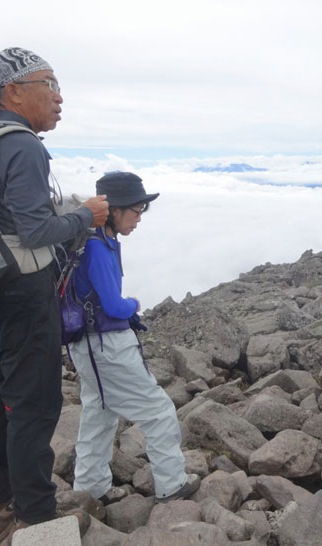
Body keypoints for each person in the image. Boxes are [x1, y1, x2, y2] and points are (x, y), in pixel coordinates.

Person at [0, 47, 108, 545]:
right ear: (15, 91)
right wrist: (87, 215)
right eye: (50, 83)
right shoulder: (21, 144)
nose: (59, 96)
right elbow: (34, 229)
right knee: (33, 404)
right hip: (22, 293)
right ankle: (36, 515)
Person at [68, 171, 200, 505]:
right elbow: (113, 304)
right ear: (114, 210)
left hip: (87, 345)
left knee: (99, 413)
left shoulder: (94, 241)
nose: (139, 219)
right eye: (136, 211)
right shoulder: (99, 248)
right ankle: (172, 484)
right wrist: (134, 304)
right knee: (158, 410)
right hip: (107, 346)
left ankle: (89, 490)